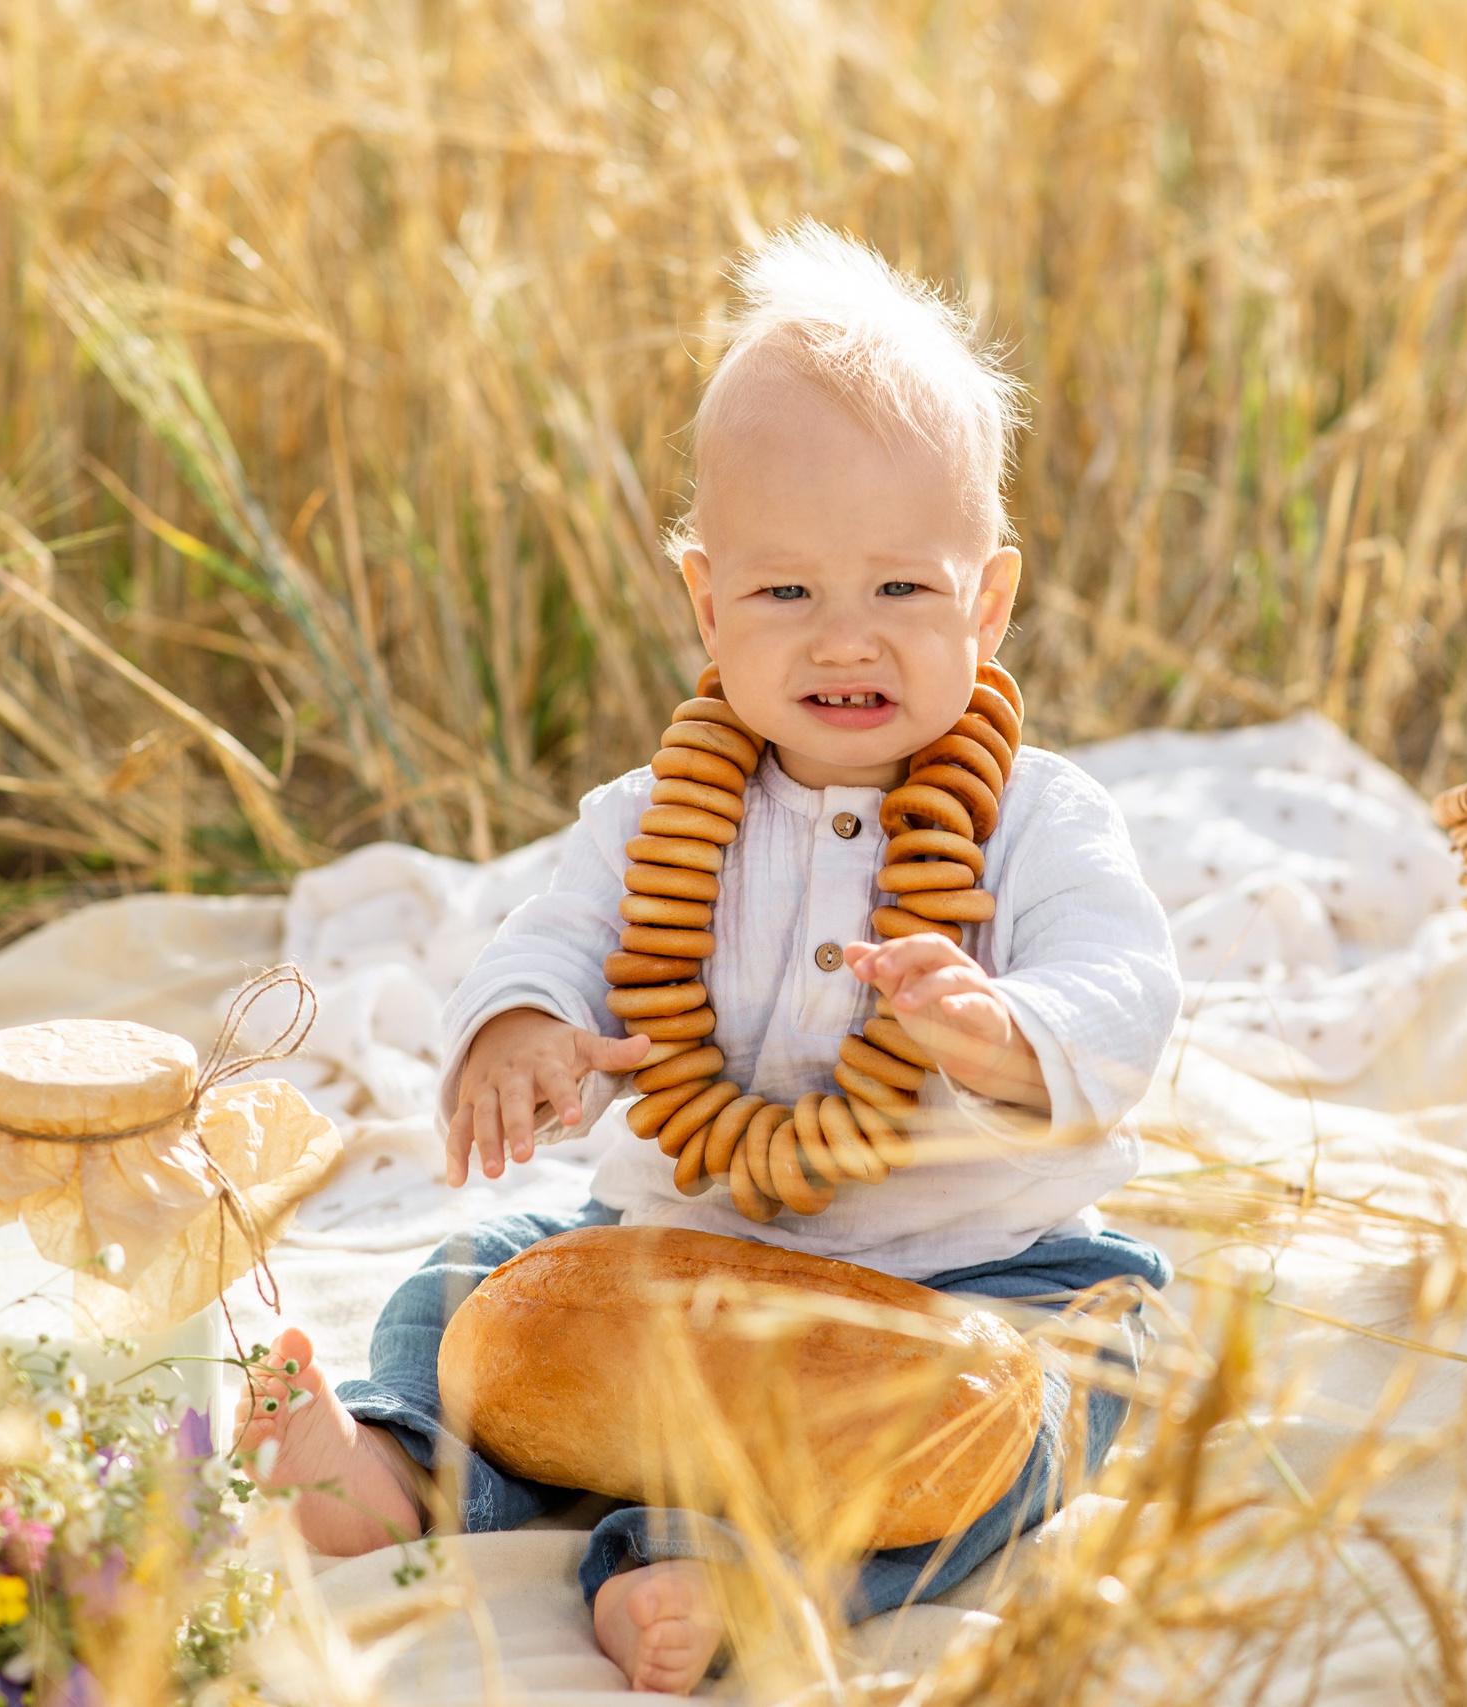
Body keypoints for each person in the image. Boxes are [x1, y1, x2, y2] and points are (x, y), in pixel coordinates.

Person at [237, 221, 1179, 1693]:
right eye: (786, 593)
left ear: (987, 602)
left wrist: (1005, 1025)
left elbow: (1125, 989)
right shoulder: (648, 822)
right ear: (705, 603)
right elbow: (549, 942)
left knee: (1060, 1398)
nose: (842, 637)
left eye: (902, 591)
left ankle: (753, 1571)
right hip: (680, 1256)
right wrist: (523, 1033)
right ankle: (390, 1467)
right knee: (472, 1287)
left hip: (973, 1274)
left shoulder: (1042, 818)